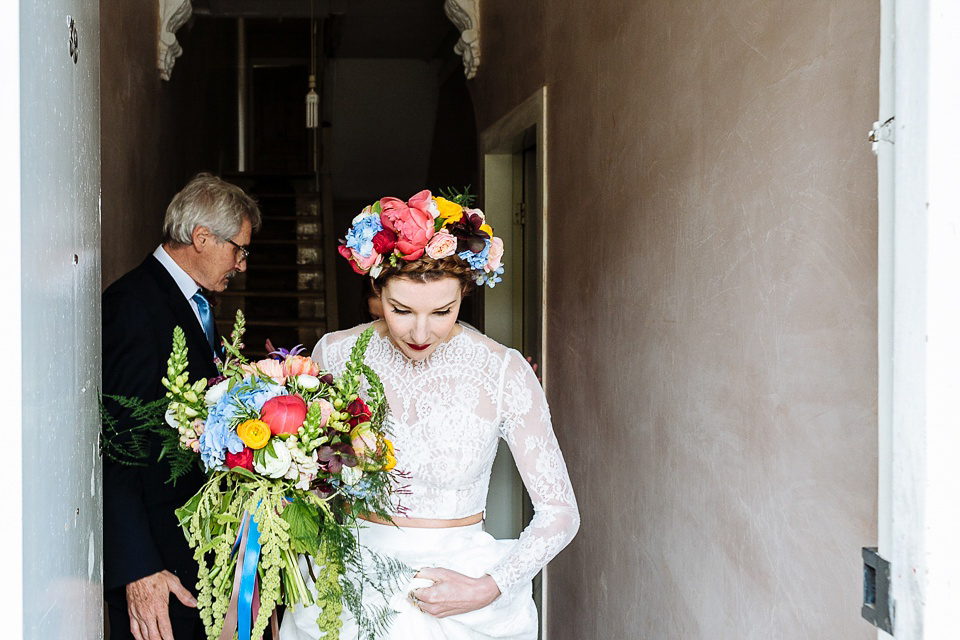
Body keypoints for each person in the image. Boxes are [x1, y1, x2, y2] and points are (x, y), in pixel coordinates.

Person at [281, 190, 579, 639]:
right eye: (401, 310)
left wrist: (489, 587)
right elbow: (309, 475)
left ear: (465, 292)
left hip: (462, 600)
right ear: (376, 289)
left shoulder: (503, 371)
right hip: (346, 589)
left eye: (442, 311)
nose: (421, 332)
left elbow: (560, 511)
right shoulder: (336, 354)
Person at [102, 173, 261, 640]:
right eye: (240, 249)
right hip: (156, 556)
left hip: (187, 545)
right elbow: (120, 444)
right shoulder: (132, 306)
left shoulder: (192, 303)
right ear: (202, 237)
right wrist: (138, 568)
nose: (242, 265)